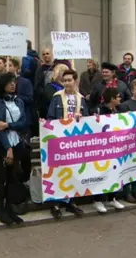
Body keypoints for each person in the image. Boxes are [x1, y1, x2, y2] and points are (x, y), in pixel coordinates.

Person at [0, 72, 31, 225]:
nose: (13, 84)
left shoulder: (19, 101)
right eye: (10, 82)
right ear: (2, 84)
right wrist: (8, 148)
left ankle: (10, 208)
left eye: (14, 82)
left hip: (17, 141)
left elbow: (23, 122)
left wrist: (7, 125)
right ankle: (1, 210)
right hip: (2, 143)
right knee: (2, 177)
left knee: (13, 177)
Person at [46, 69, 88, 218]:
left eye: (70, 80)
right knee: (58, 171)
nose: (67, 83)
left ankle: (71, 201)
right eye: (65, 80)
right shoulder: (57, 97)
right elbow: (50, 116)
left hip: (75, 140)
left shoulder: (81, 99)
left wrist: (81, 117)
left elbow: (87, 119)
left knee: (74, 171)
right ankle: (55, 203)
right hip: (60, 139)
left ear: (75, 81)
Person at [92, 87, 125, 213]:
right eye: (117, 96)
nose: (120, 98)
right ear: (111, 99)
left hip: (115, 148)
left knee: (114, 173)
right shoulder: (98, 110)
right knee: (101, 174)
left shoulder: (118, 111)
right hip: (101, 148)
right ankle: (97, 200)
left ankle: (112, 198)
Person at [118, 79, 136, 204]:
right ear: (132, 90)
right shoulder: (125, 105)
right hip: (128, 141)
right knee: (128, 167)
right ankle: (127, 192)